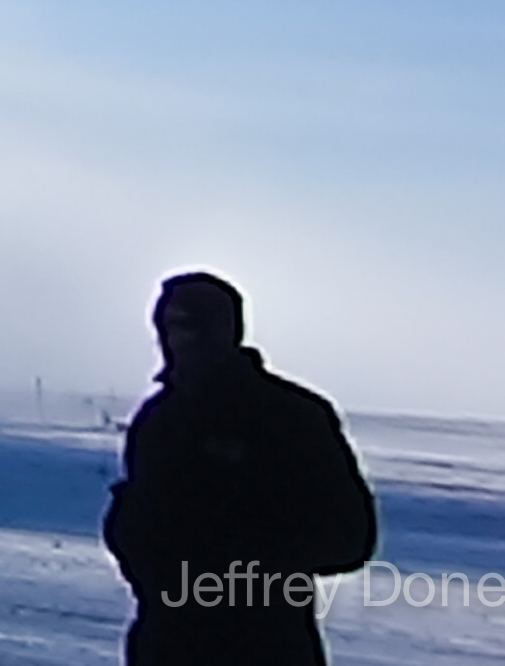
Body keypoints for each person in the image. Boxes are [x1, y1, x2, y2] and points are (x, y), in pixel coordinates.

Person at [106, 271, 379, 663]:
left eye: (191, 325)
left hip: (265, 646)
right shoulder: (159, 419)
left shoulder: (291, 416)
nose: (176, 339)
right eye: (168, 326)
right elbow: (139, 520)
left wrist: (239, 558)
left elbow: (350, 536)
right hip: (168, 644)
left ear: (226, 331)